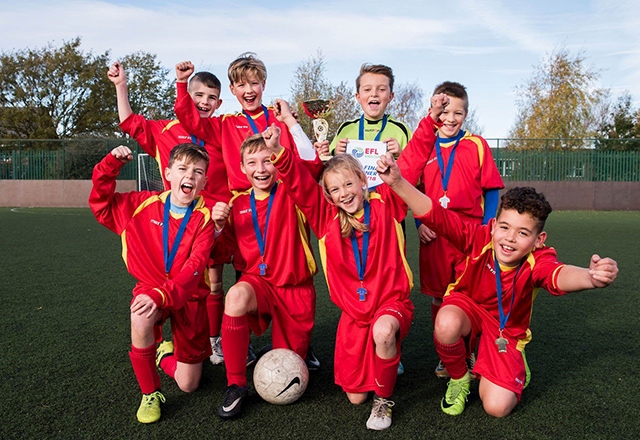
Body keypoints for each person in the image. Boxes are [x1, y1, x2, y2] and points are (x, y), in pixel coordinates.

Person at [376, 157, 619, 418]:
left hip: (504, 329)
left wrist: (590, 277)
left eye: (523, 233)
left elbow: (559, 275)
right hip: (467, 307)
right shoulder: (479, 238)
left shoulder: (538, 259)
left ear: (539, 240)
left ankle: (511, 363)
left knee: (497, 407)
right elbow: (438, 216)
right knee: (446, 323)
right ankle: (459, 378)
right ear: (494, 226)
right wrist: (398, 183)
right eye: (504, 227)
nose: (510, 238)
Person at [259, 94, 443, 430]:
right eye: (335, 189)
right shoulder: (325, 217)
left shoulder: (387, 203)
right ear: (327, 195)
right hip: (354, 315)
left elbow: (414, 160)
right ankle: (381, 361)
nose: (344, 193)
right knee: (355, 395)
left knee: (384, 332)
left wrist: (429, 119)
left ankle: (384, 402)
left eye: (348, 183)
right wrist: (277, 153)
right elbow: (299, 185)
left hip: (390, 303)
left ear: (362, 180)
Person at [174, 54, 323, 368]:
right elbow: (191, 121)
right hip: (246, 209)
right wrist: (182, 85)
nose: (249, 89)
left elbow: (311, 164)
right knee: (246, 279)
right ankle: (241, 349)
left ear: (264, 85)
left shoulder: (279, 118)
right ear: (232, 89)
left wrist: (292, 124)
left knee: (290, 273)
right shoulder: (227, 123)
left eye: (255, 83)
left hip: (283, 203)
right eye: (242, 85)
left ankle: (299, 341)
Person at [107, 61, 231, 367]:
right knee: (179, 278)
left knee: (214, 283)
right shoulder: (165, 130)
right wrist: (121, 85)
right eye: (198, 95)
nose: (204, 102)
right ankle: (173, 341)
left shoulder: (220, 131)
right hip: (181, 223)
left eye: (211, 97)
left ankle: (213, 340)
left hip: (215, 219)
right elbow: (129, 122)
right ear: (187, 96)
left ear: (219, 103)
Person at [89, 143, 216, 423]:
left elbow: (195, 268)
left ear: (204, 181)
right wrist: (110, 165)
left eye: (198, 172)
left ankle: (163, 356)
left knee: (189, 384)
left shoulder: (204, 219)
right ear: (168, 173)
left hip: (190, 296)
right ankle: (150, 392)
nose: (190, 176)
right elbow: (101, 204)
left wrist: (163, 294)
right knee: (140, 314)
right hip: (149, 287)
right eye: (182, 169)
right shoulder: (140, 205)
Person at [210, 133, 318, 420]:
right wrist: (218, 226)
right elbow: (220, 252)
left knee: (290, 365)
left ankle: (299, 348)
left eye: (268, 161)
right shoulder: (237, 204)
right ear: (242, 168)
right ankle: (236, 384)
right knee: (235, 296)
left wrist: (284, 147)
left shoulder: (292, 191)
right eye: (252, 162)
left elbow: (308, 169)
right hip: (259, 285)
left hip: (295, 288)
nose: (261, 169)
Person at [414, 81, 504, 379]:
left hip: (469, 233)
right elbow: (414, 189)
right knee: (440, 298)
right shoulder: (423, 146)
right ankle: (446, 356)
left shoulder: (476, 144)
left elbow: (491, 191)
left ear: (466, 114)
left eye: (459, 113)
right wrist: (419, 223)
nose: (450, 119)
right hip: (436, 235)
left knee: (474, 297)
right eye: (444, 112)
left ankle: (475, 351)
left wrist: (486, 228)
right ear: (433, 111)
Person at [320, 63, 411, 158]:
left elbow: (417, 166)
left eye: (381, 89)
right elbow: (329, 166)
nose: (374, 94)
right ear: (358, 97)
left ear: (390, 96)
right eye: (367, 89)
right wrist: (334, 154)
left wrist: (402, 155)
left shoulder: (401, 130)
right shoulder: (346, 129)